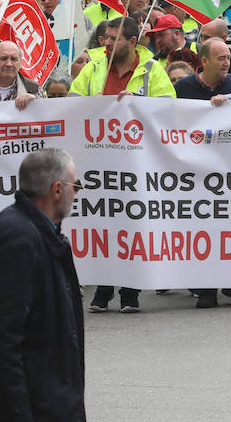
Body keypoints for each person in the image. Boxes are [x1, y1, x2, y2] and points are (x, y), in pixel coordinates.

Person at [0, 148, 85, 422]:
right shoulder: (19, 240)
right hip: (32, 406)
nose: (76, 193)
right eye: (75, 185)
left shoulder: (41, 233)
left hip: (47, 400)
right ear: (57, 189)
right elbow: (1, 344)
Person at [74, 16, 174, 313]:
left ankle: (130, 292)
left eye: (114, 38)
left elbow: (170, 106)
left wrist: (139, 105)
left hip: (136, 163)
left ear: (132, 42)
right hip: (98, 160)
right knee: (102, 225)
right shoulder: (94, 68)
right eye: (105, 37)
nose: (107, 42)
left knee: (132, 224)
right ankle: (103, 290)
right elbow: (73, 100)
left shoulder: (152, 71)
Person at [174, 37, 231, 309]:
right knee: (202, 231)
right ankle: (206, 289)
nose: (227, 63)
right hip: (195, 172)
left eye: (228, 58)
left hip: (230, 171)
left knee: (230, 228)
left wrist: (230, 105)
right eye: (221, 58)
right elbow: (167, 118)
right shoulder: (183, 88)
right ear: (204, 61)